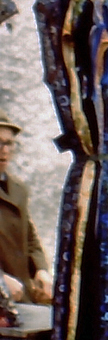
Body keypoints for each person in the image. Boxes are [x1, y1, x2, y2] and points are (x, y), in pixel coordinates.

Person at [0, 110, 52, 304]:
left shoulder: (18, 190)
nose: (4, 150)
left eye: (9, 143)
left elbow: (30, 238)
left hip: (21, 297)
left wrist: (41, 270)